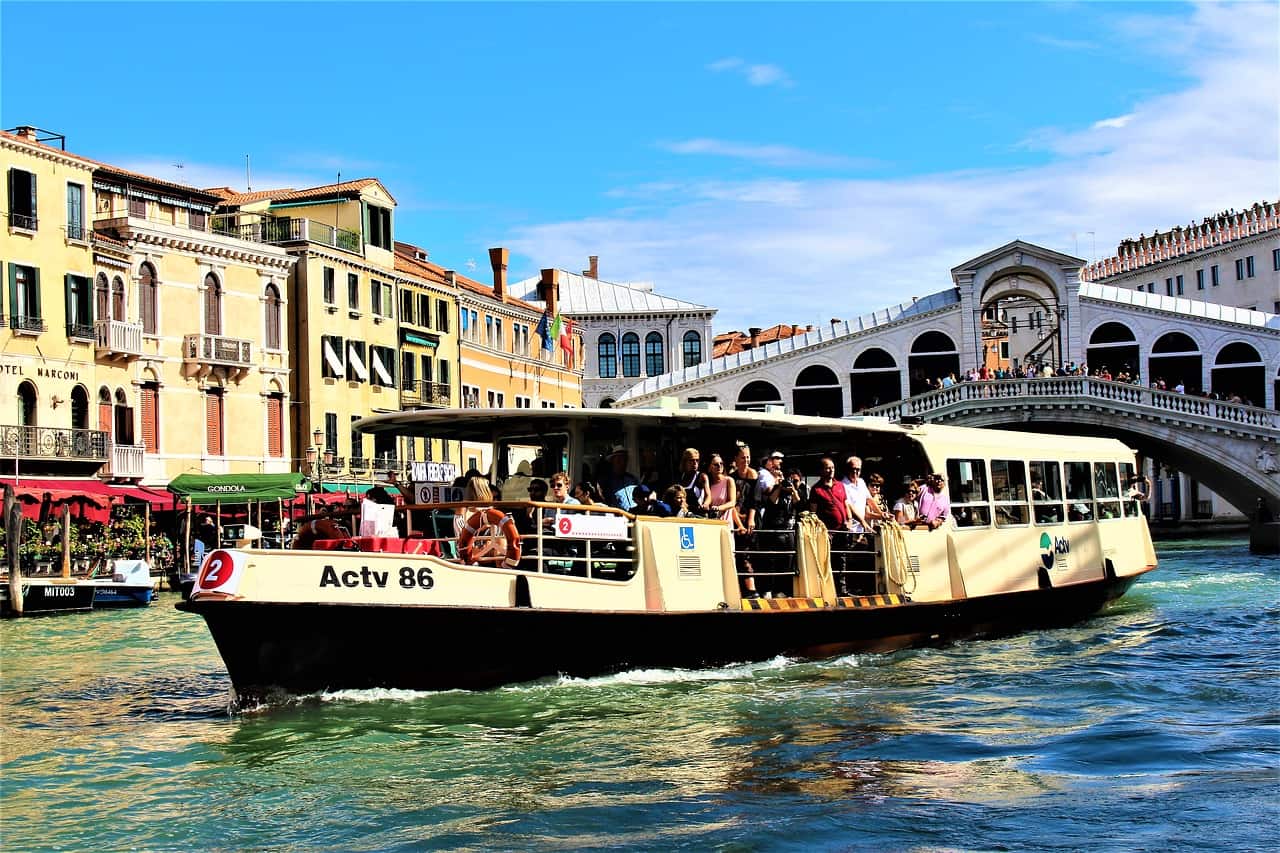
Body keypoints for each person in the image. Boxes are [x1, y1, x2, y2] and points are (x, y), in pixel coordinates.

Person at [809, 457, 854, 595]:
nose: (831, 470)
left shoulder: (840, 485)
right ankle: (828, 590)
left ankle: (842, 590)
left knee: (842, 560)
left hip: (842, 530)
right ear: (821, 470)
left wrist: (850, 520)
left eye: (832, 467)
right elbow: (813, 513)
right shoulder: (816, 490)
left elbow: (846, 505)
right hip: (827, 533)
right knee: (826, 561)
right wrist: (822, 531)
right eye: (828, 467)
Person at [838, 456, 871, 536]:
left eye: (858, 469)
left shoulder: (862, 482)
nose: (855, 471)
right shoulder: (843, 485)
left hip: (862, 529)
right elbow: (849, 506)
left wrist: (881, 513)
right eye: (853, 469)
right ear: (847, 469)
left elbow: (869, 500)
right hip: (850, 529)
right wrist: (862, 521)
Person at [600, 445, 639, 510]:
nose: (622, 463)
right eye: (619, 460)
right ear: (613, 461)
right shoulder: (606, 480)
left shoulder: (632, 479)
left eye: (624, 460)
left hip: (635, 515)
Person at [677, 447, 711, 515]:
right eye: (691, 460)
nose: (695, 463)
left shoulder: (702, 477)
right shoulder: (680, 477)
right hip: (682, 515)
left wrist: (705, 504)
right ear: (685, 461)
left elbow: (708, 496)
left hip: (698, 515)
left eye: (697, 460)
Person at [705, 453, 737, 523]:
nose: (719, 466)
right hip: (712, 523)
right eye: (716, 464)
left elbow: (732, 503)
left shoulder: (729, 480)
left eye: (721, 463)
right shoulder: (708, 484)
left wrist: (718, 508)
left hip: (726, 523)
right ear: (709, 467)